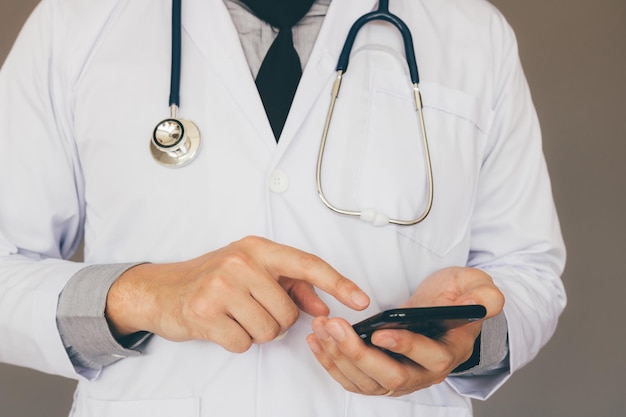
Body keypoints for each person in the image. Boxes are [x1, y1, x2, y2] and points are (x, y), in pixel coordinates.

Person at [0, 0, 566, 416]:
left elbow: (529, 271)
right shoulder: (77, 23)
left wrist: (470, 332)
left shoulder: (469, 32)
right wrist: (147, 295)